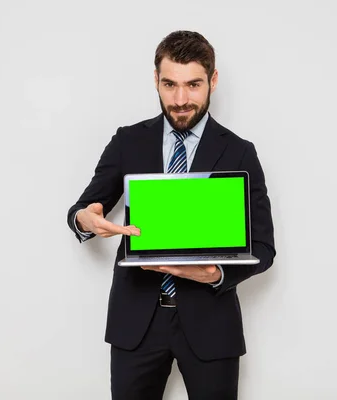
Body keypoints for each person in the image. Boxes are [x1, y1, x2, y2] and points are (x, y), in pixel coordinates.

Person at [66, 30, 276, 400]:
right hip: (137, 323)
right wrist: (87, 218)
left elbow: (264, 247)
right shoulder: (128, 141)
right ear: (156, 80)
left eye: (193, 85)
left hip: (211, 324)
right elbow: (83, 209)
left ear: (212, 80)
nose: (180, 100)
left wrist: (216, 273)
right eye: (170, 84)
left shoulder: (240, 152)